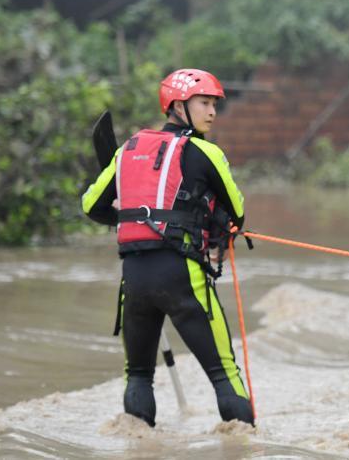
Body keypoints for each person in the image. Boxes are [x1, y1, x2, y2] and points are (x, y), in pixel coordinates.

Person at [81, 68, 253, 427]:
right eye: (204, 103)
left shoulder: (127, 149)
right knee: (224, 374)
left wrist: (133, 219)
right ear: (177, 105)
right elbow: (236, 212)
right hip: (182, 276)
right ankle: (246, 448)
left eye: (214, 105)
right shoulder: (206, 152)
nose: (212, 112)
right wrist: (212, 227)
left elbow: (91, 206)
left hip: (136, 279)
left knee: (138, 376)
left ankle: (138, 448)